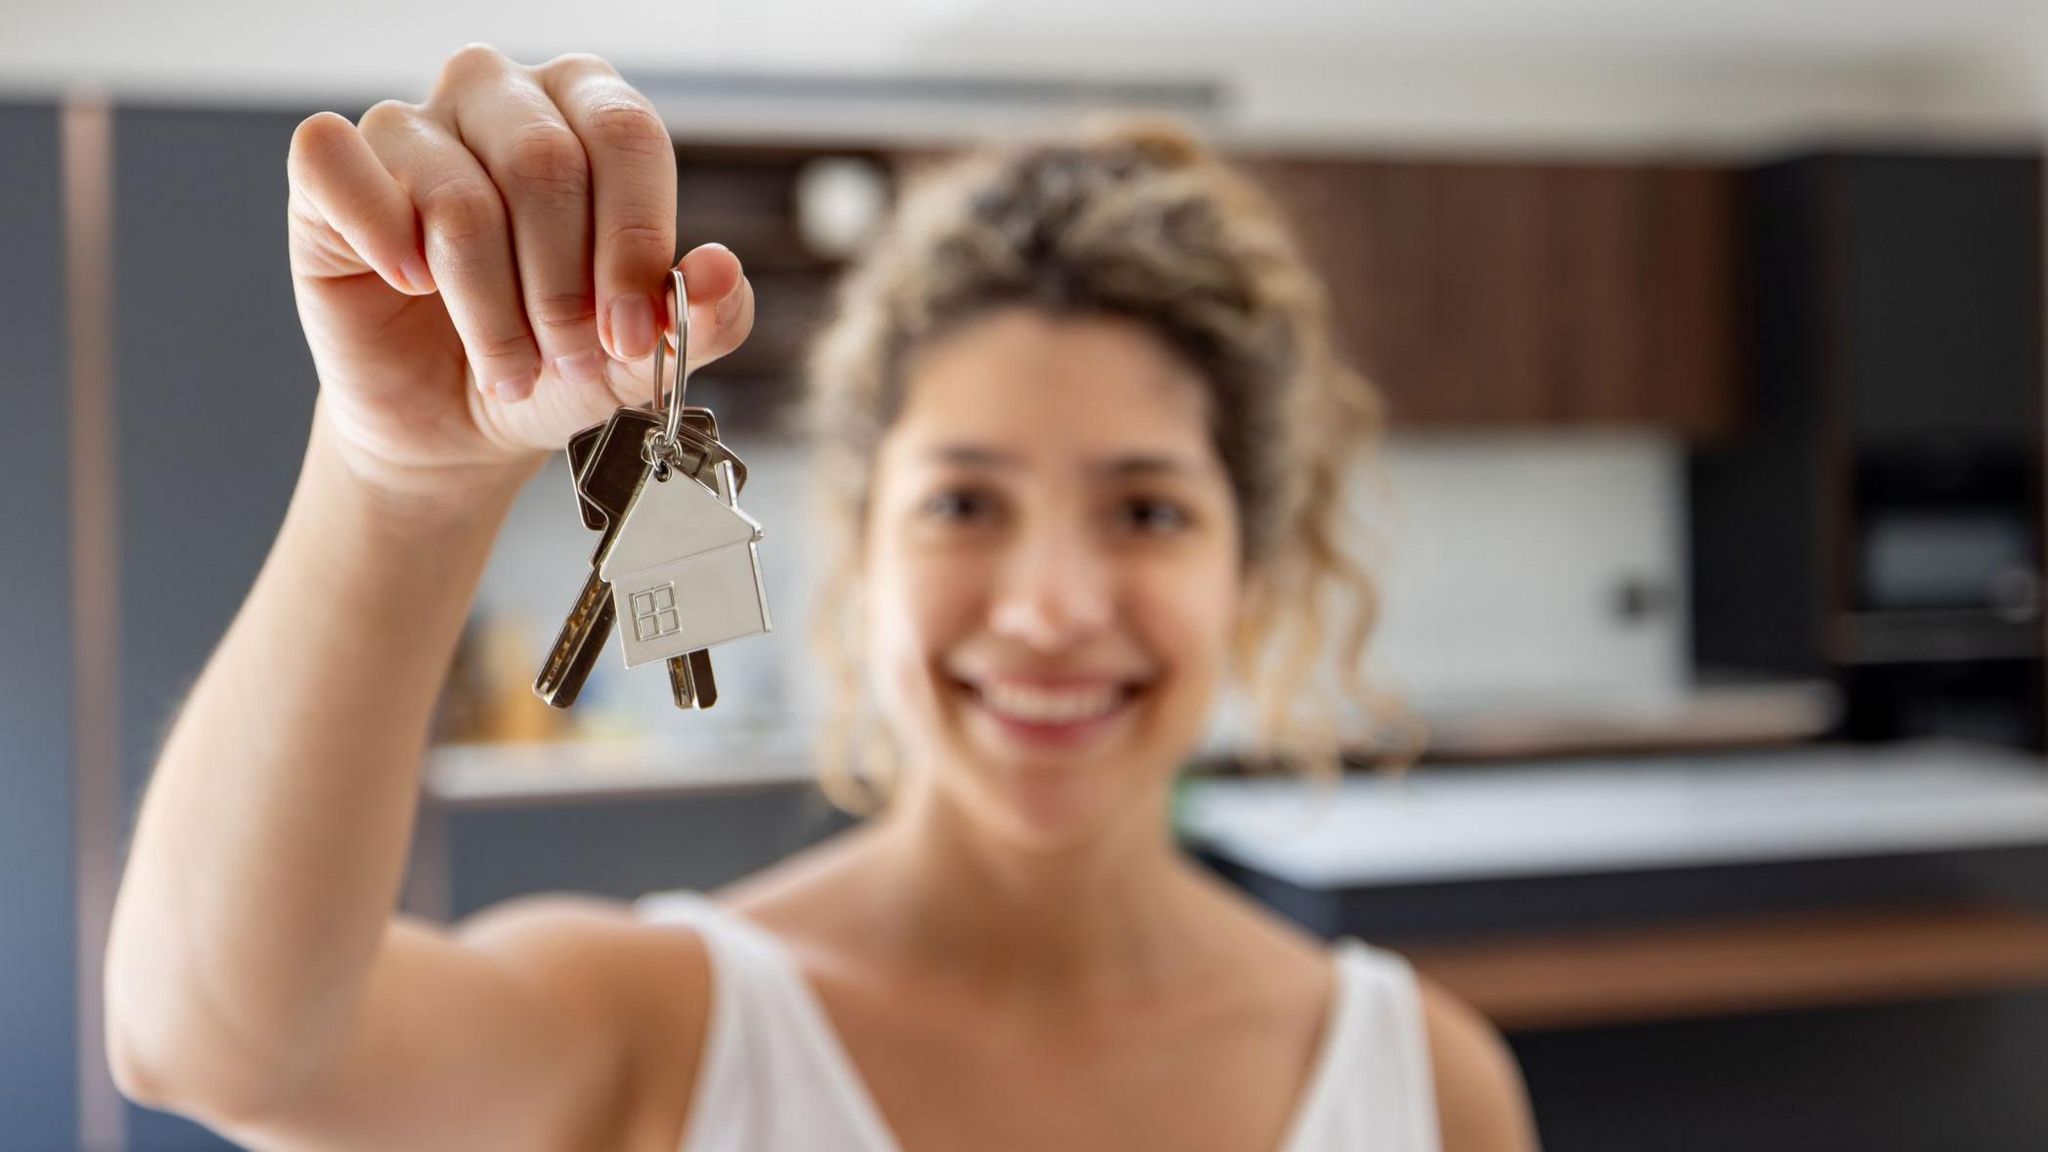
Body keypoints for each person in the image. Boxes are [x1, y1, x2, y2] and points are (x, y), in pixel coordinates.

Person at [104, 44, 1540, 1152]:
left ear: (1253, 557)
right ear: (863, 547)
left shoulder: (1425, 1082)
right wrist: (393, 476)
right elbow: (222, 1049)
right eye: (965, 503)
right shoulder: (662, 1028)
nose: (1049, 606)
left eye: (1147, 509)